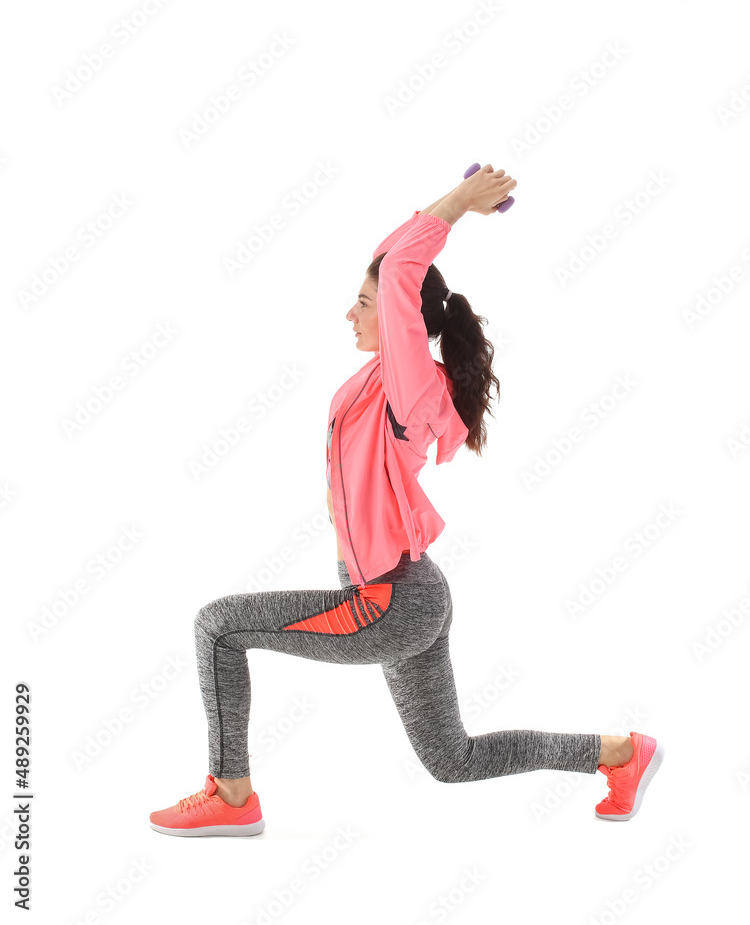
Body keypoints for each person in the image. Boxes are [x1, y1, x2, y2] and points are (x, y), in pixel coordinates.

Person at [149, 164, 663, 836]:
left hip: (387, 602)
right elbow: (392, 267)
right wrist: (427, 221)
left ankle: (233, 794)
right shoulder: (380, 377)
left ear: (400, 321)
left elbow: (397, 273)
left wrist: (455, 205)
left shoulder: (410, 385)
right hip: (409, 592)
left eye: (362, 304)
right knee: (452, 760)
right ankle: (620, 754)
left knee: (217, 626)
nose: (350, 313)